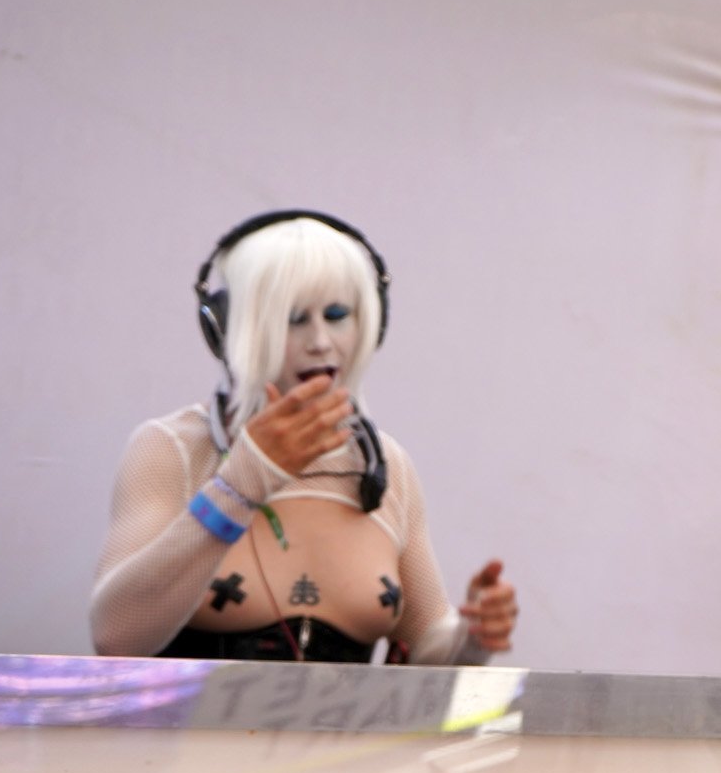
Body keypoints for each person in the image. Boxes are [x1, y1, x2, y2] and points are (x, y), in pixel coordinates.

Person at [91, 212, 516, 663]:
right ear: (233, 329)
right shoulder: (173, 450)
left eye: (337, 315)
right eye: (294, 319)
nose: (321, 341)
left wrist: (471, 639)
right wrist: (239, 487)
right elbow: (115, 636)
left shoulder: (385, 465)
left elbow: (426, 642)